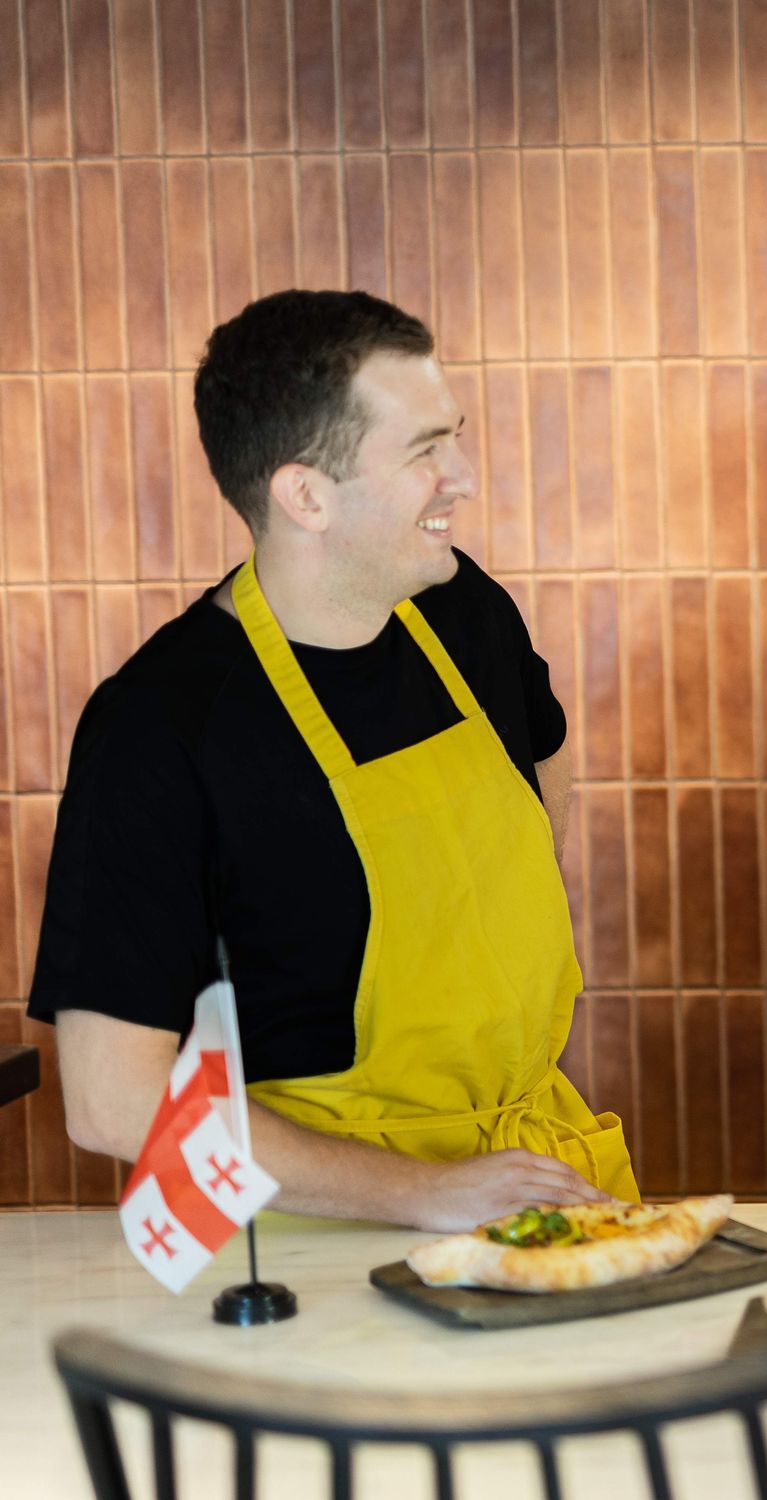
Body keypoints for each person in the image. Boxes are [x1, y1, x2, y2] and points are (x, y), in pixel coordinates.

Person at [28, 290, 635, 1230]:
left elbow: (540, 798)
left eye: (456, 437)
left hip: (527, 1182)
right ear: (305, 495)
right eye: (425, 450)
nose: (465, 477)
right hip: (305, 1240)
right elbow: (112, 1103)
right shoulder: (160, 726)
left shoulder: (465, 615)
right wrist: (421, 1190)